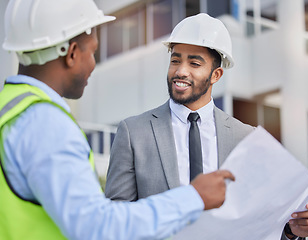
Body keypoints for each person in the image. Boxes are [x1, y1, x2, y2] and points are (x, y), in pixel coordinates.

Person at [0, 2, 236, 240]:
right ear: (71, 54)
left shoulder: (10, 106)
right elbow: (99, 226)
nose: (93, 64)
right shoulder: (46, 124)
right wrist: (194, 197)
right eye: (93, 52)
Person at [105, 13, 308, 240]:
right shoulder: (134, 133)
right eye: (175, 60)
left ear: (216, 75)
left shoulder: (245, 138)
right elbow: (115, 220)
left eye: (194, 63)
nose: (180, 71)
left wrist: (290, 231)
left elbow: (259, 224)